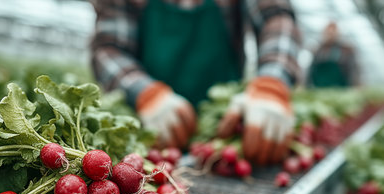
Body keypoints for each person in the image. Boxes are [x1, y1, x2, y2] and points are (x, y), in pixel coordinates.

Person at [90, 0, 301, 165]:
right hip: (151, 132)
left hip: (224, 126)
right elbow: (109, 48)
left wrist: (271, 84)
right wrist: (142, 92)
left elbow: (276, 17)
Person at [308, 22, 360, 88]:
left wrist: (355, 85)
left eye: (333, 33)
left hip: (341, 89)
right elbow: (311, 72)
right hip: (320, 89)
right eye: (328, 33)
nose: (331, 36)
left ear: (338, 34)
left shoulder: (346, 51)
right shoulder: (317, 51)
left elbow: (353, 72)